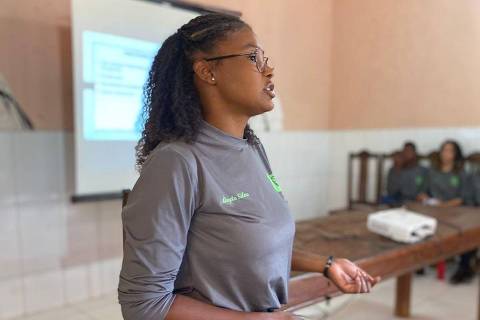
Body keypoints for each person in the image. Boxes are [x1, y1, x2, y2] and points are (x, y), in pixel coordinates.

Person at [118, 13, 380, 320]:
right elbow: (144, 304)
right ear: (207, 71)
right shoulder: (176, 163)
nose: (268, 70)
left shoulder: (251, 147)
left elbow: (248, 247)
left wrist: (325, 264)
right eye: (253, 57)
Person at [417, 140, 475, 284]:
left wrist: (443, 206)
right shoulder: (432, 171)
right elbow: (422, 192)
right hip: (432, 209)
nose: (446, 153)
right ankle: (419, 260)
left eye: (450, 150)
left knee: (467, 230)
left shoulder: (461, 173)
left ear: (456, 154)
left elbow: (462, 198)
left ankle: (464, 267)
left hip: (455, 211)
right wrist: (425, 198)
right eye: (444, 150)